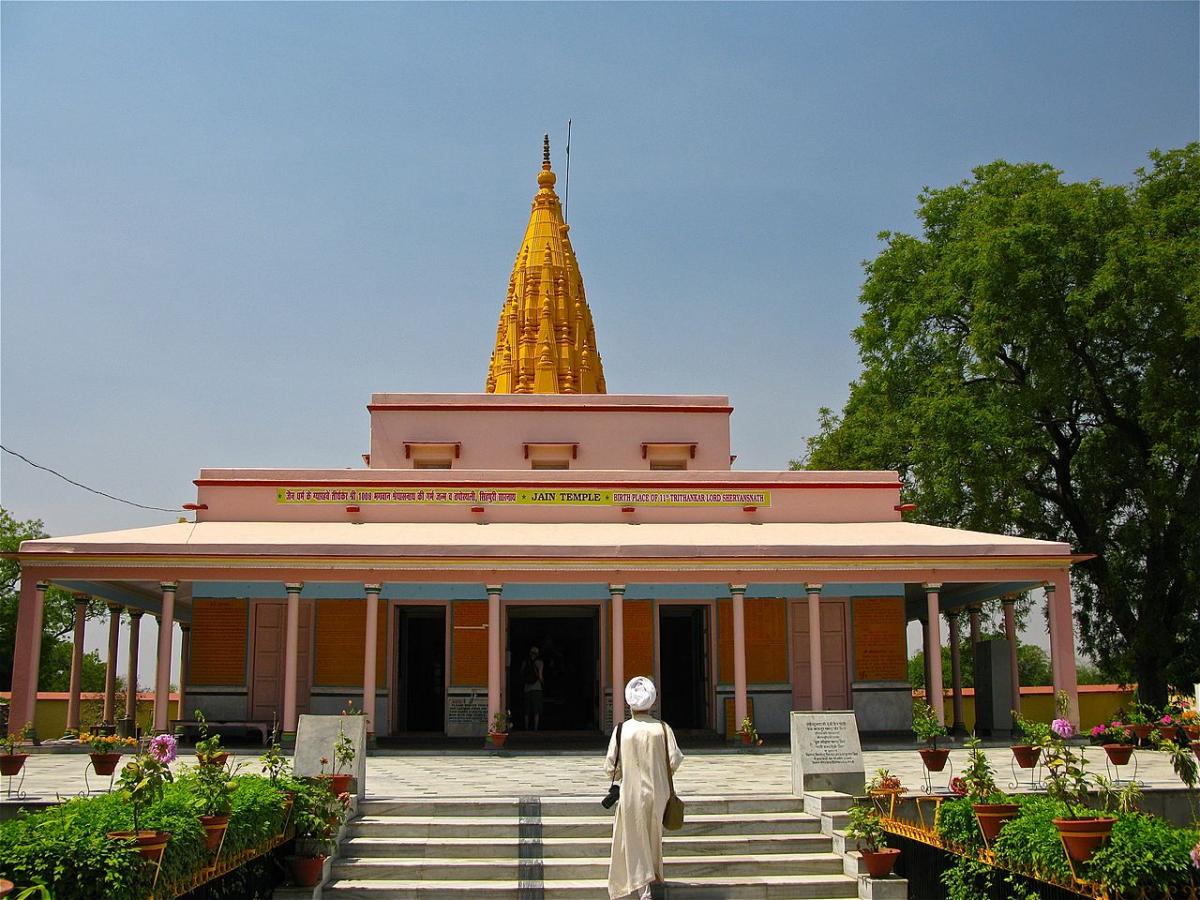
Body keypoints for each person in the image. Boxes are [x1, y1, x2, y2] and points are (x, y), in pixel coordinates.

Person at [605, 676, 683, 900]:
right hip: (659, 791)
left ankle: (643, 887)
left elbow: (611, 767)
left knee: (634, 837)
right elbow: (674, 760)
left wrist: (624, 772)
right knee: (652, 834)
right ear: (652, 702)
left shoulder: (623, 730)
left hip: (631, 792)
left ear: (630, 703)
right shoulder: (662, 728)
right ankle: (651, 877)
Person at [521, 645, 544, 731]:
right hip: (537, 688)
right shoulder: (540, 663)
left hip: (527, 689)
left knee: (527, 710)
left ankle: (526, 728)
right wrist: (543, 683)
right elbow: (540, 676)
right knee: (536, 710)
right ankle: (535, 728)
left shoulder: (525, 662)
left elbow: (522, 674)